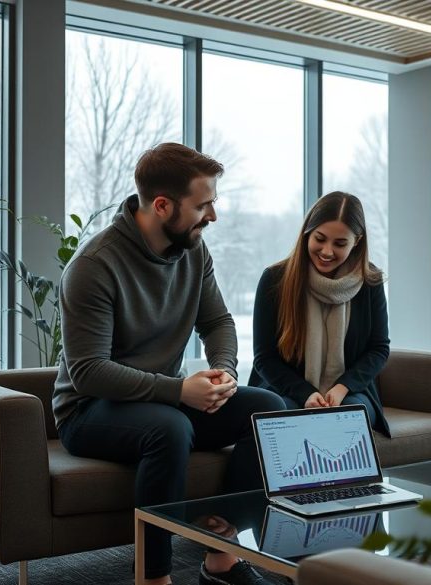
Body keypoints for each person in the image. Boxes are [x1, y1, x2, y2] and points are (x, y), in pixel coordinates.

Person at [52, 143, 286, 585]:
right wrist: (179, 391)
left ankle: (221, 555)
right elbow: (89, 371)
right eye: (203, 205)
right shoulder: (94, 266)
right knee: (170, 427)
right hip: (89, 411)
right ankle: (153, 577)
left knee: (268, 408)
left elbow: (217, 320)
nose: (212, 215)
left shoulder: (194, 252)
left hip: (159, 400)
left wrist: (225, 372)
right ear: (162, 206)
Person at [249, 191, 391, 436]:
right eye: (320, 239)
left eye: (339, 243)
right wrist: (306, 393)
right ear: (307, 233)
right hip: (285, 389)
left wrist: (342, 388)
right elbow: (264, 357)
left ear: (356, 241)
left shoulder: (370, 281)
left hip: (349, 391)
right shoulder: (275, 279)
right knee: (287, 414)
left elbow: (379, 348)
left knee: (349, 413)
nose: (326, 251)